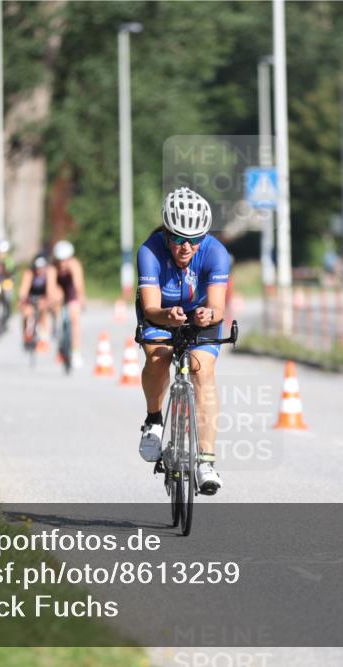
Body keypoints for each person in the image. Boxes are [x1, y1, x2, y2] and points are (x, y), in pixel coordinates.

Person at [136, 186, 230, 495]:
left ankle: (205, 461)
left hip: (200, 314)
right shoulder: (149, 252)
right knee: (158, 356)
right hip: (162, 311)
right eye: (177, 238)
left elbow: (218, 308)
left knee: (202, 368)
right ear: (166, 233)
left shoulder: (216, 252)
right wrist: (166, 316)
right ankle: (153, 419)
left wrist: (207, 316)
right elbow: (150, 307)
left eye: (193, 240)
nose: (185, 247)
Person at [52, 240, 86, 369]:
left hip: (71, 290)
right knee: (57, 296)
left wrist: (81, 299)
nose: (62, 263)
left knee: (75, 317)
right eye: (60, 260)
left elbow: (78, 284)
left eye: (65, 260)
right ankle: (57, 323)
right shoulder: (52, 267)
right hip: (59, 289)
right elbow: (51, 286)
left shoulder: (75, 265)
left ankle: (76, 352)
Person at [18, 252, 56, 348]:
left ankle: (44, 333)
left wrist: (47, 300)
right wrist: (22, 300)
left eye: (41, 268)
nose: (39, 270)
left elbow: (50, 289)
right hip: (32, 296)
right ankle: (26, 335)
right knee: (26, 312)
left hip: (44, 295)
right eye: (37, 268)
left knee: (43, 308)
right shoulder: (29, 272)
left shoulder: (50, 271)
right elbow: (24, 289)